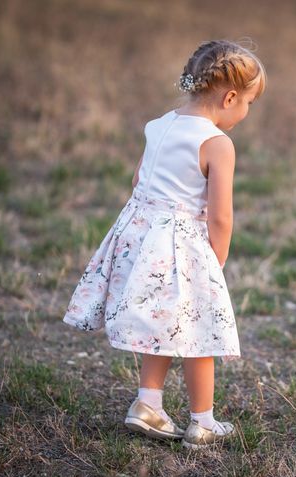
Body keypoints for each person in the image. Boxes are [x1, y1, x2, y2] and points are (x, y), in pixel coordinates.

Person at [62, 39, 266, 449]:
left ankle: (147, 404)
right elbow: (221, 214)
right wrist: (216, 261)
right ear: (229, 97)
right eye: (248, 104)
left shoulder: (158, 125)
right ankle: (202, 422)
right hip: (185, 247)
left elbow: (138, 181)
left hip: (141, 236)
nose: (246, 113)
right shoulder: (217, 143)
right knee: (199, 330)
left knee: (163, 324)